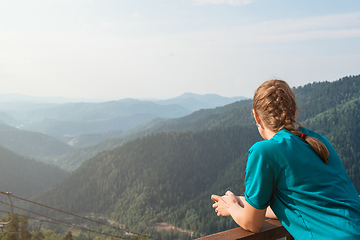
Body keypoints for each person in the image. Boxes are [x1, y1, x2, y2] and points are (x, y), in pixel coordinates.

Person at [211, 79, 360, 239]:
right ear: (294, 113)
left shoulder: (264, 152)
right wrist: (244, 202)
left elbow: (252, 223)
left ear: (256, 116)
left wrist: (232, 207)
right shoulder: (319, 142)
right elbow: (305, 205)